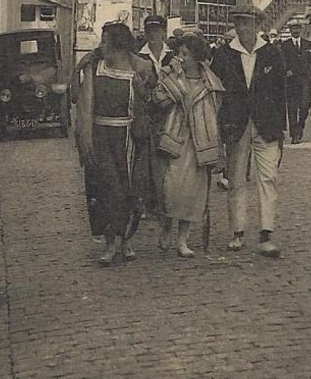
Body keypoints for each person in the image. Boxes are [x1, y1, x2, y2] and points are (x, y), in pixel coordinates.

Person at [72, 21, 157, 266]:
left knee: (130, 189)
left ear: (119, 44)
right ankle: (110, 242)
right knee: (105, 189)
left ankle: (126, 239)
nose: (102, 45)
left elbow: (150, 102)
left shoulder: (138, 70)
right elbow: (78, 97)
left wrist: (143, 93)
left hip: (128, 139)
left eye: (106, 40)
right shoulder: (94, 68)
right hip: (100, 136)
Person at [211, 4, 286, 258]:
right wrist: (221, 127)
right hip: (236, 124)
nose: (241, 27)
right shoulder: (223, 55)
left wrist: (280, 128)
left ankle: (266, 233)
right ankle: (237, 232)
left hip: (266, 125)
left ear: (257, 25)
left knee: (268, 178)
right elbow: (217, 93)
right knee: (236, 180)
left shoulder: (272, 53)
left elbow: (280, 93)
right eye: (238, 22)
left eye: (246, 22)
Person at [153, 34, 224, 256]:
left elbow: (216, 112)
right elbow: (159, 99)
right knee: (170, 188)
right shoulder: (169, 75)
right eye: (179, 53)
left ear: (196, 57)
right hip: (176, 138)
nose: (180, 58)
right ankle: (166, 225)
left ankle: (183, 240)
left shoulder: (211, 82)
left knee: (193, 194)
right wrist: (174, 75)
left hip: (199, 144)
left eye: (185, 54)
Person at [280, 19, 311, 143]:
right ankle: (294, 135)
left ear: (301, 30)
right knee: (292, 108)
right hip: (291, 81)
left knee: (305, 105)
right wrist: (287, 70)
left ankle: (300, 125)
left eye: (297, 28)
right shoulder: (285, 45)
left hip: (305, 80)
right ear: (290, 30)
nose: (295, 31)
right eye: (293, 28)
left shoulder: (307, 45)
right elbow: (282, 61)